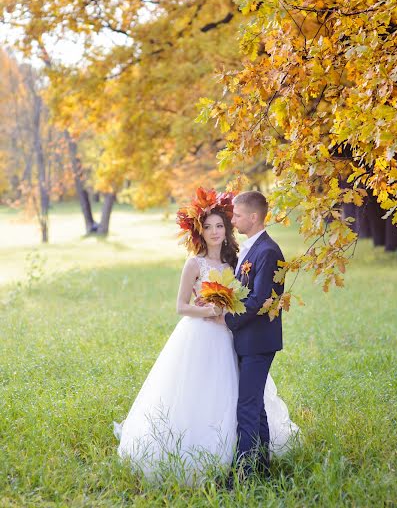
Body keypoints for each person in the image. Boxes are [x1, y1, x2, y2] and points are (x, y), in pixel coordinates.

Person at [114, 188, 299, 484]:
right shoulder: (197, 263)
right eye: (209, 226)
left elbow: (254, 298)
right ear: (200, 231)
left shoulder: (242, 257)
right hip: (206, 334)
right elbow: (181, 306)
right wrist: (211, 313)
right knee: (211, 396)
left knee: (244, 403)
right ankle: (241, 464)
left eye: (223, 224)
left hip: (236, 335)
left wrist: (224, 314)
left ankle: (249, 469)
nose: (218, 230)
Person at [214, 190, 287, 480]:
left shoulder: (268, 252)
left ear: (254, 217)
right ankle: (262, 467)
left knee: (246, 406)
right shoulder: (251, 248)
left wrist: (228, 319)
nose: (234, 219)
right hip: (249, 339)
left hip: (258, 341)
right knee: (255, 408)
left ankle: (244, 474)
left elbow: (258, 299)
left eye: (238, 215)